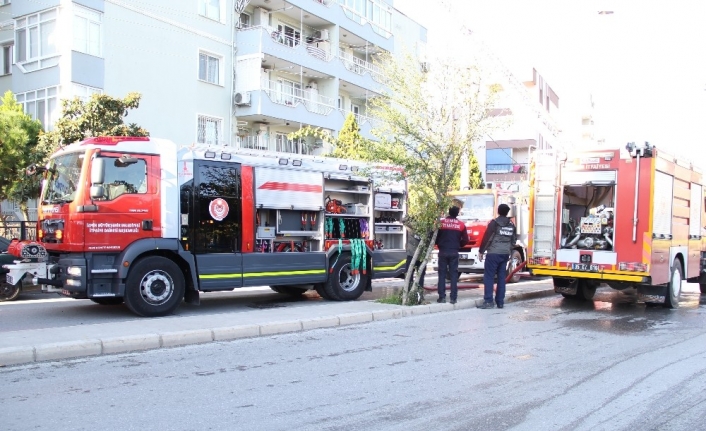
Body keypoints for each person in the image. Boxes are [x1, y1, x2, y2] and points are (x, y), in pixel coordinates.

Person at [478, 203, 517, 309]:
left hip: (493, 254)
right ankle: (500, 302)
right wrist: (508, 250)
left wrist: (481, 251)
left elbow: (487, 238)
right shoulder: (511, 225)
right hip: (504, 254)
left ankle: (488, 301)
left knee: (489, 277)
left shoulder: (494, 223)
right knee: (501, 278)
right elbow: (513, 240)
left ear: (498, 211)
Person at [435, 206, 469, 304]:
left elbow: (435, 237)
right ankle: (453, 298)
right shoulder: (461, 225)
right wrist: (458, 245)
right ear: (457, 213)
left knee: (442, 275)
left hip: (443, 252)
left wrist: (439, 244)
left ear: (449, 212)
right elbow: (466, 240)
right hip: (454, 252)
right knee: (454, 275)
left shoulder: (441, 223)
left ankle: (442, 297)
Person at [402, 216, 426, 289]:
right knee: (420, 276)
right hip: (422, 255)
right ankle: (419, 294)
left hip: (412, 254)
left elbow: (403, 220)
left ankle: (409, 292)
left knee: (409, 274)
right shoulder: (426, 224)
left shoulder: (411, 225)